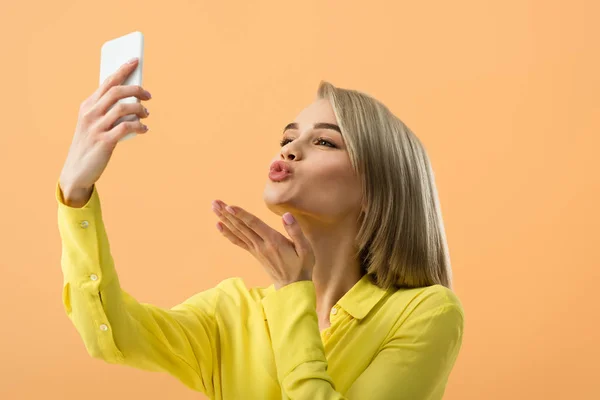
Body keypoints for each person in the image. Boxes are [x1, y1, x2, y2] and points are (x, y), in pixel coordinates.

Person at [57, 58, 464, 399]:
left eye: (324, 142)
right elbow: (109, 334)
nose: (289, 149)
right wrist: (76, 193)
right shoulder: (231, 311)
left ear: (378, 188)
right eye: (288, 137)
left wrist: (293, 293)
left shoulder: (426, 313)